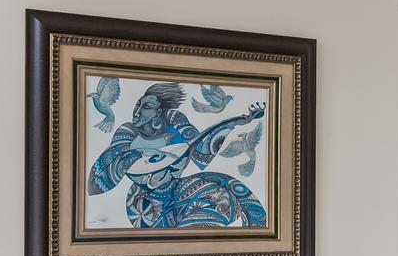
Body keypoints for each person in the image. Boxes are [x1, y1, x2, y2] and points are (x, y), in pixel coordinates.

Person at [89, 82, 267, 228]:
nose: (137, 111)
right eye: (138, 105)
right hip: (144, 205)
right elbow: (103, 174)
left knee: (228, 192)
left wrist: (234, 122)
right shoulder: (127, 131)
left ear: (159, 112)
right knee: (219, 205)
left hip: (176, 189)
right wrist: (144, 152)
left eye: (147, 107)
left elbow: (201, 151)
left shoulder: (173, 120)